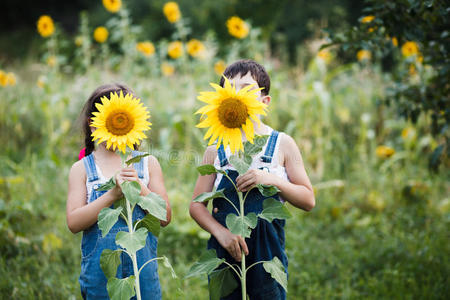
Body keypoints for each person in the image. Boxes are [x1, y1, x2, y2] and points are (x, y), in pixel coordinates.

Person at [189, 59, 315, 299]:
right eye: (230, 88)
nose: (237, 94)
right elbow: (196, 205)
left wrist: (272, 179)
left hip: (267, 252)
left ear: (265, 101)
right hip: (225, 250)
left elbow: (308, 199)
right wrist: (221, 233)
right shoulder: (215, 150)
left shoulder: (282, 144)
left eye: (246, 88)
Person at [66, 83, 171, 299]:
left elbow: (165, 216)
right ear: (93, 125)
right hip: (100, 280)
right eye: (111, 120)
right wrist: (112, 195)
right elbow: (74, 222)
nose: (118, 125)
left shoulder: (147, 164)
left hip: (144, 278)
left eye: (123, 119)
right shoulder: (82, 169)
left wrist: (140, 189)